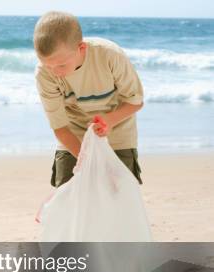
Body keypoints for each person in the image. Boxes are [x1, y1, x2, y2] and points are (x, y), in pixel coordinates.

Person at [34, 11, 145, 187]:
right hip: (73, 137)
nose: (56, 72)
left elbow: (135, 100)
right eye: (48, 65)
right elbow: (60, 127)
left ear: (81, 49)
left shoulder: (110, 55)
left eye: (62, 65)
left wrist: (109, 120)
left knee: (119, 200)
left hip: (118, 133)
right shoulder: (44, 73)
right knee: (67, 198)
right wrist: (87, 160)